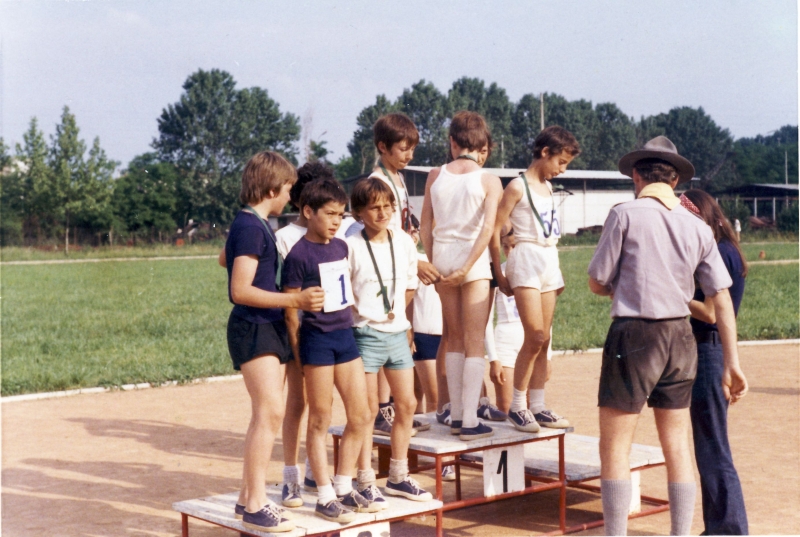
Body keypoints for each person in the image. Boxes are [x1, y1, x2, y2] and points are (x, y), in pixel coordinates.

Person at [587, 136, 748, 536]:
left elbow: (596, 280)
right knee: (677, 445)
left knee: (615, 446)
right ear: (675, 179)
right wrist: (733, 363)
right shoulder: (697, 226)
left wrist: (618, 284)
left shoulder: (624, 214)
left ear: (637, 175)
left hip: (635, 333)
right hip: (681, 337)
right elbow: (720, 299)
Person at [224, 151, 325, 533]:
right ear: (271, 188)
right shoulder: (252, 226)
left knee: (264, 415)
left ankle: (244, 496)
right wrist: (293, 300)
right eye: (287, 189)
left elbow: (225, 259)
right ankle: (255, 504)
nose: (290, 197)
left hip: (266, 325)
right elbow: (239, 289)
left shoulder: (254, 224)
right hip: (254, 325)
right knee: (269, 413)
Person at [282, 178, 378, 523]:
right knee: (320, 417)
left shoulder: (340, 247)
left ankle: (342, 484)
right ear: (308, 212)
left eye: (341, 214)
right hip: (316, 342)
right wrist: (298, 354)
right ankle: (323, 495)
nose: (337, 221)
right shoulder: (298, 255)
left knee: (363, 414)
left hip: (344, 337)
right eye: (330, 214)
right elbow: (291, 309)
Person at [347, 177, 433, 506]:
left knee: (407, 404)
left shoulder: (404, 242)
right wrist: (364, 314)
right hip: (365, 334)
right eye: (374, 208)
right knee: (367, 411)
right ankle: (365, 479)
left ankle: (398, 475)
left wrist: (397, 314)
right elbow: (345, 292)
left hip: (396, 331)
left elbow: (410, 283)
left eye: (388, 206)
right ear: (359, 213)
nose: (383, 213)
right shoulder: (352, 244)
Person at [490, 126, 579, 432]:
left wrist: (556, 273)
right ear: (545, 153)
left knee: (546, 339)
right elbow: (495, 228)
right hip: (525, 259)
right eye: (561, 162)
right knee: (535, 336)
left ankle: (538, 406)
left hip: (548, 260)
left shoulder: (549, 188)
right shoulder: (517, 186)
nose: (562, 170)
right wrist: (498, 270)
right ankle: (518, 406)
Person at [420, 110, 503, 441]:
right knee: (474, 341)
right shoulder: (489, 179)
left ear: (452, 142)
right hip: (473, 262)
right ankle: (469, 418)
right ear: (481, 144)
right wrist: (469, 266)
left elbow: (426, 224)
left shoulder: (435, 174)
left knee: (452, 337)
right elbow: (487, 229)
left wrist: (433, 259)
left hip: (442, 258)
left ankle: (456, 413)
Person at [681, 189, 749, 535]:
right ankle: (720, 527)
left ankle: (728, 528)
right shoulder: (727, 249)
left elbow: (709, 312)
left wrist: (675, 293)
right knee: (709, 446)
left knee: (712, 447)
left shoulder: (718, 253)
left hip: (707, 349)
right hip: (711, 350)